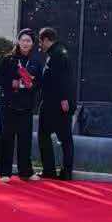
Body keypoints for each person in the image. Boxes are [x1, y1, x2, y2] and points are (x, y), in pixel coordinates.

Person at [0, 30, 41, 182]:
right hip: (8, 106)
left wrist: (32, 85)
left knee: (25, 141)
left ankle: (25, 172)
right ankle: (4, 173)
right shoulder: (9, 59)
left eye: (29, 41)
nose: (25, 43)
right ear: (18, 42)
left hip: (26, 107)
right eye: (23, 40)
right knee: (5, 139)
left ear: (32, 44)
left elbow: (39, 83)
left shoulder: (35, 61)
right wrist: (11, 82)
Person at [36, 26, 75, 181]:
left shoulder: (57, 54)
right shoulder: (58, 52)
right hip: (54, 102)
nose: (40, 45)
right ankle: (63, 171)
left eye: (41, 41)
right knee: (62, 138)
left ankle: (52, 170)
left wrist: (64, 99)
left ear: (46, 40)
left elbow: (63, 78)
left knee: (51, 136)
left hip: (56, 103)